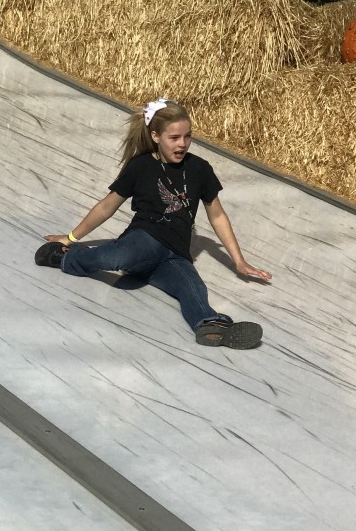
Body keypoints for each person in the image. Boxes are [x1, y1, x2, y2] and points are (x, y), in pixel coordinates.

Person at [35, 98, 272, 349]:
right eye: (174, 137)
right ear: (156, 136)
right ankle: (65, 257)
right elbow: (106, 207)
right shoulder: (141, 167)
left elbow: (218, 216)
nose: (182, 144)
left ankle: (209, 323)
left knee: (192, 287)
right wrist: (70, 238)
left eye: (187, 136)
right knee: (118, 256)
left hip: (175, 254)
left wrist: (239, 261)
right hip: (145, 238)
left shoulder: (200, 169)